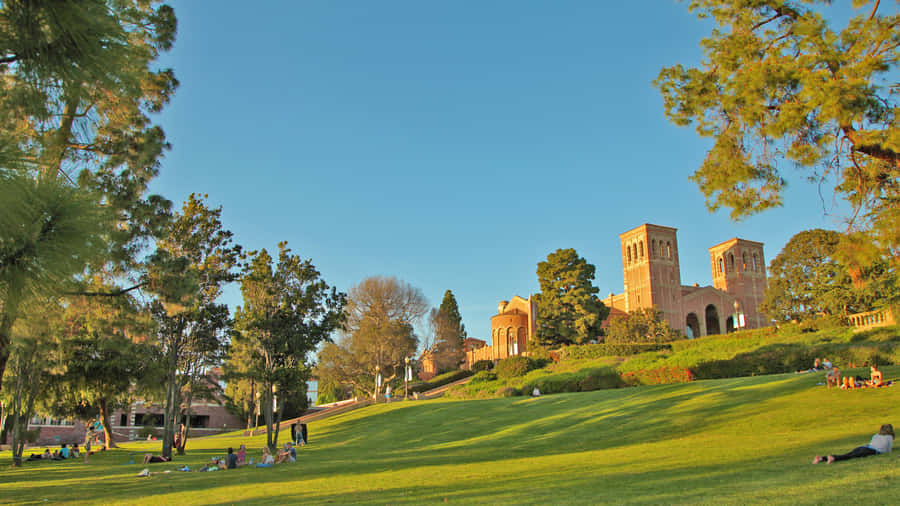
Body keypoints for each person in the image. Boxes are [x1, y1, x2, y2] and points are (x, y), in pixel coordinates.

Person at [813, 424, 894, 464]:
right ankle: (833, 458)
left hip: (864, 447)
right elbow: (888, 450)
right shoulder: (889, 437)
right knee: (849, 456)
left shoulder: (876, 435)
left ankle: (821, 458)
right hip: (869, 451)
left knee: (848, 454)